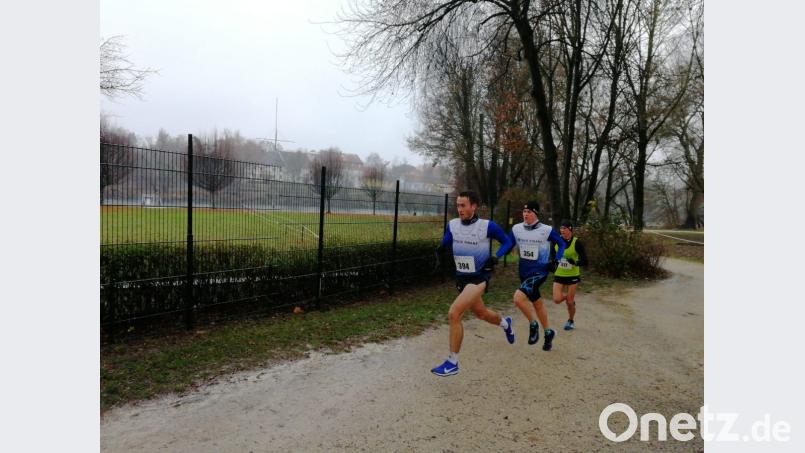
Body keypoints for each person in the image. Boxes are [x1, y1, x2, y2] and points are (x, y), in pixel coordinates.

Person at [430, 191, 514, 377]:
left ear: (474, 206)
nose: (459, 209)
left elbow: (508, 242)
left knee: (454, 313)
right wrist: (440, 249)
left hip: (479, 278)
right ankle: (505, 324)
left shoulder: (487, 226)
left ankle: (452, 362)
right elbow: (447, 241)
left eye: (463, 205)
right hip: (462, 278)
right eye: (458, 205)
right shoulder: (452, 225)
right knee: (482, 313)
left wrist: (496, 257)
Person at [504, 201, 565, 351]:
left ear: (536, 214)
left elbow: (562, 244)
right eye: (524, 211)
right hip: (524, 272)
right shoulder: (517, 228)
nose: (526, 214)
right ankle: (549, 332)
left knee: (518, 298)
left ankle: (533, 324)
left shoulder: (546, 230)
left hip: (540, 272)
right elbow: (508, 244)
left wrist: (556, 261)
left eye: (529, 212)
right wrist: (496, 255)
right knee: (537, 304)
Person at [552, 220, 588, 330]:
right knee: (557, 300)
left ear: (570, 229)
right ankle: (570, 299)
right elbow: (552, 256)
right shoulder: (556, 241)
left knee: (569, 302)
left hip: (572, 275)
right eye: (561, 228)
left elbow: (585, 260)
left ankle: (570, 320)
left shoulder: (577, 243)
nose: (562, 230)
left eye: (564, 228)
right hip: (559, 274)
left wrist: (575, 262)